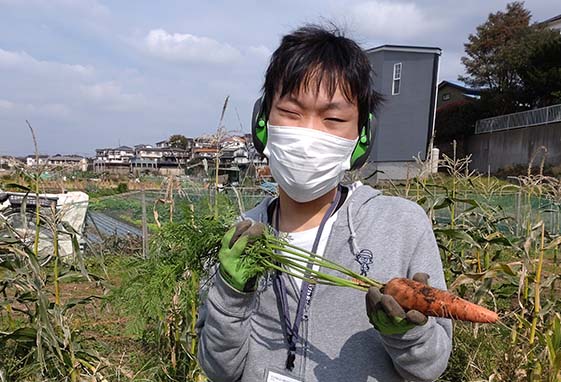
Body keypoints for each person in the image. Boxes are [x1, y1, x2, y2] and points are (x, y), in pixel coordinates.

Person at [197, 24, 452, 382]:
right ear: (262, 124)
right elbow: (218, 370)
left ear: (363, 138)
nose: (310, 134)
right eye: (290, 112)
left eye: (333, 119)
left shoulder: (401, 226)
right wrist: (230, 294)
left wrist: (406, 335)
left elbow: (430, 368)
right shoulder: (237, 240)